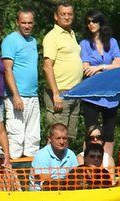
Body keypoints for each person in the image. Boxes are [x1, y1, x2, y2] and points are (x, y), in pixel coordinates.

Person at [79, 11, 120, 165]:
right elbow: (86, 69)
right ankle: (87, 164)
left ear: (101, 23)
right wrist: (108, 68)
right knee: (91, 132)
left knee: (109, 133)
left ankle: (108, 165)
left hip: (110, 95)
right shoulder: (85, 44)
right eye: (88, 22)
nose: (91, 24)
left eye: (94, 21)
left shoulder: (112, 42)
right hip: (91, 94)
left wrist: (100, 67)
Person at [2, 10, 41, 159]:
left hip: (33, 95)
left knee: (33, 136)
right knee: (16, 135)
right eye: (23, 22)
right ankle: (14, 169)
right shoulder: (11, 40)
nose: (27, 26)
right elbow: (7, 69)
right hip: (17, 96)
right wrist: (15, 95)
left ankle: (31, 168)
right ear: (17, 22)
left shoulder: (33, 41)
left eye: (30, 22)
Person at [42, 3, 83, 139]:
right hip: (60, 93)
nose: (66, 17)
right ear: (56, 16)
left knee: (69, 137)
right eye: (63, 14)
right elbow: (47, 66)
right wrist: (56, 94)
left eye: (69, 14)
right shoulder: (52, 36)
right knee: (57, 136)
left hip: (75, 92)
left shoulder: (71, 34)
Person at [31, 123, 78, 188]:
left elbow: (75, 177)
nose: (61, 142)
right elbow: (46, 183)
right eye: (58, 138)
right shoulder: (42, 155)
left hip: (64, 191)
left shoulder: (71, 154)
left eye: (64, 138)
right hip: (42, 192)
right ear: (49, 139)